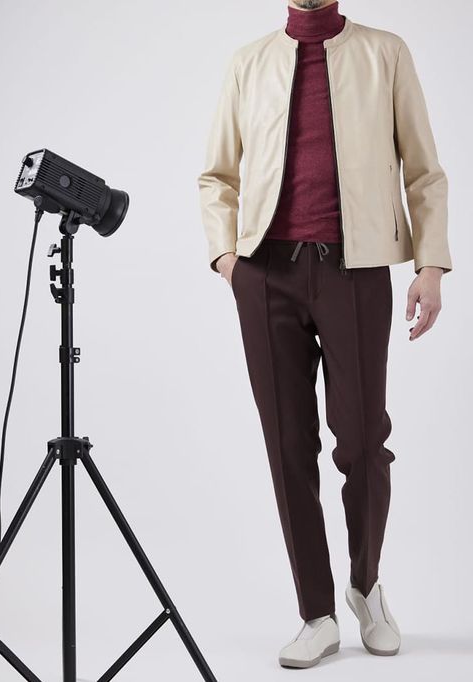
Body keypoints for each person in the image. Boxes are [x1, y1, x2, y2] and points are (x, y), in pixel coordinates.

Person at [197, 0, 452, 669]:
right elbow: (217, 175)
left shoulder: (385, 52)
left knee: (363, 441)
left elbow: (423, 170)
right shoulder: (249, 63)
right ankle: (316, 613)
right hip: (265, 274)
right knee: (288, 448)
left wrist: (430, 265)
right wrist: (228, 259)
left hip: (356, 270)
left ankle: (366, 587)